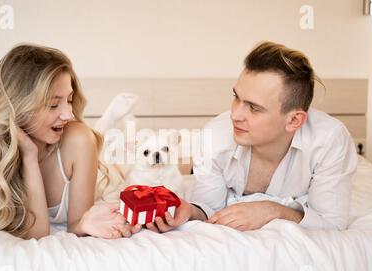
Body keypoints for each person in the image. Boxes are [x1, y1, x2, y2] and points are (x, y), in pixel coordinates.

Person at [145, 41, 358, 233]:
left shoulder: (330, 140)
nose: (235, 115)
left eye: (254, 107)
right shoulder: (213, 136)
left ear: (294, 121)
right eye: (236, 97)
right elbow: (209, 209)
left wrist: (273, 211)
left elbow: (331, 223)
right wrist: (190, 211)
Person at [0, 44, 141, 240]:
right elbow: (37, 232)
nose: (68, 114)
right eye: (53, 104)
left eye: (70, 100)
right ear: (17, 107)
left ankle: (110, 121)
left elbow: (75, 225)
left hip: (105, 178)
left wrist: (30, 157)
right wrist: (29, 156)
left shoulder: (78, 139)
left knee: (126, 165)